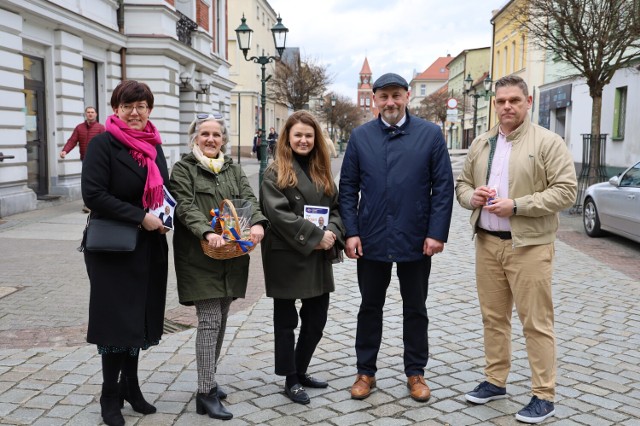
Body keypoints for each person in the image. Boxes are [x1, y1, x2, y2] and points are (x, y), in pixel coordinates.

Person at [455, 74, 577, 424]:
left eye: (514, 100)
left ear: (528, 103)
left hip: (529, 247)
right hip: (487, 244)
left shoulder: (548, 142)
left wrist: (518, 206)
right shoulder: (482, 142)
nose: (506, 106)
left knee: (536, 322)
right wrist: (471, 197)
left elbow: (566, 191)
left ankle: (544, 394)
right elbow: (462, 185)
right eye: (501, 101)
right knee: (493, 319)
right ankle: (495, 380)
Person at [339, 73, 454, 402]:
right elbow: (347, 189)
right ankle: (365, 372)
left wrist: (436, 232)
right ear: (375, 99)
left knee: (415, 307)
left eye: (396, 96)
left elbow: (443, 187)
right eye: (384, 96)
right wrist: (352, 232)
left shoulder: (430, 134)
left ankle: (415, 372)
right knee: (369, 307)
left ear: (407, 97)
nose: (390, 102)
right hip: (371, 236)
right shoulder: (361, 137)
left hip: (416, 237)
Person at [81, 80, 169, 426]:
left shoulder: (154, 145)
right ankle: (109, 396)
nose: (135, 112)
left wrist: (166, 215)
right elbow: (94, 195)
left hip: (148, 245)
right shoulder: (104, 143)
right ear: (116, 109)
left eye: (141, 106)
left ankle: (131, 386)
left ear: (149, 109)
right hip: (113, 247)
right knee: (115, 322)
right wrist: (140, 216)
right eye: (127, 106)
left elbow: (164, 189)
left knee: (138, 321)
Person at [170, 113, 267, 420]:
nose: (210, 139)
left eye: (216, 134)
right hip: (199, 255)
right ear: (194, 138)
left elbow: (249, 199)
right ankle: (205, 393)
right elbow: (184, 206)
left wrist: (258, 224)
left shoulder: (232, 168)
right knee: (210, 320)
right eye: (204, 134)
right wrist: (207, 232)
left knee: (222, 317)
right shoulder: (183, 168)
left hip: (231, 254)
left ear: (224, 139)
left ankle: (208, 378)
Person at [260, 110, 345, 405]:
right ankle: (291, 378)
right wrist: (315, 236)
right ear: (288, 138)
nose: (303, 140)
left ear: (316, 138)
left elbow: (336, 207)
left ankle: (301, 368)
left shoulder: (322, 169)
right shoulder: (275, 171)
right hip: (287, 253)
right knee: (286, 322)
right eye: (298, 135)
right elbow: (279, 215)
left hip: (318, 253)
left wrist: (332, 232)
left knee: (316, 319)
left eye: (309, 135)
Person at [60, 106, 105, 213]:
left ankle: (94, 203)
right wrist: (65, 151)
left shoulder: (100, 128)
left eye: (92, 112)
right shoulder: (79, 128)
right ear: (86, 114)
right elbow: (72, 141)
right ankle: (89, 203)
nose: (90, 114)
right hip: (85, 160)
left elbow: (106, 144)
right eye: (88, 112)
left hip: (97, 160)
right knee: (87, 182)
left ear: (96, 114)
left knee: (96, 181)